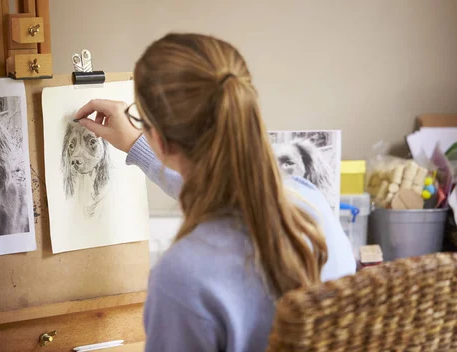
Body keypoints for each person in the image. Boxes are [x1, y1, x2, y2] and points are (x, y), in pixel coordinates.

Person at [75, 33, 356, 351]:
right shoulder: (311, 202)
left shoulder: (183, 276)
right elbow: (224, 189)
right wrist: (139, 143)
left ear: (163, 142)